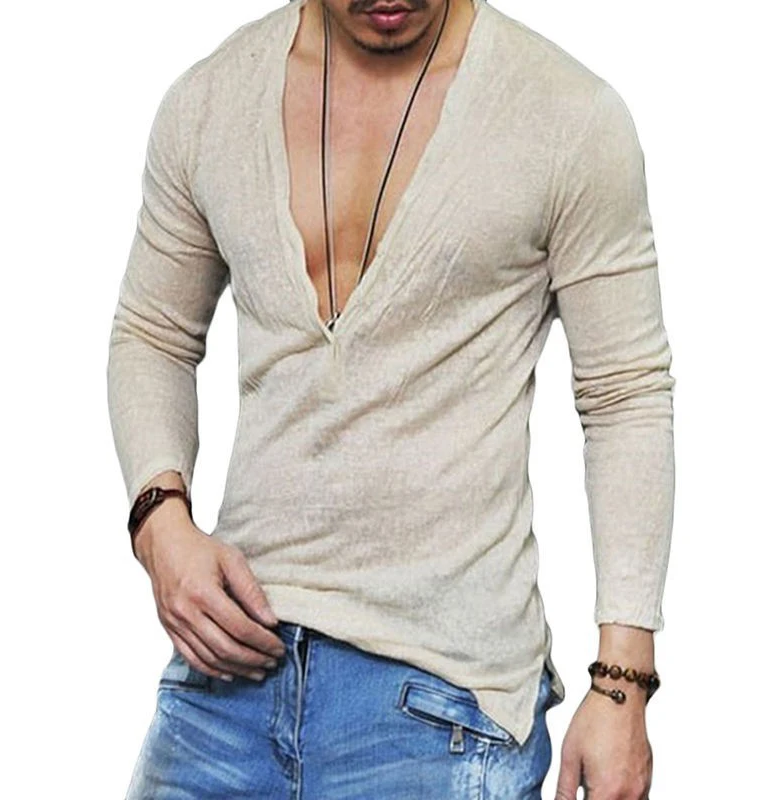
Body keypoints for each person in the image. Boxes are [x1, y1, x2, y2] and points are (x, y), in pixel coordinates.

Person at [107, 0, 674, 797]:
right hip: (223, 684)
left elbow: (626, 395)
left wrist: (622, 683)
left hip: (445, 703)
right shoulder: (211, 101)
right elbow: (153, 333)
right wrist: (159, 523)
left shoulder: (565, 115)